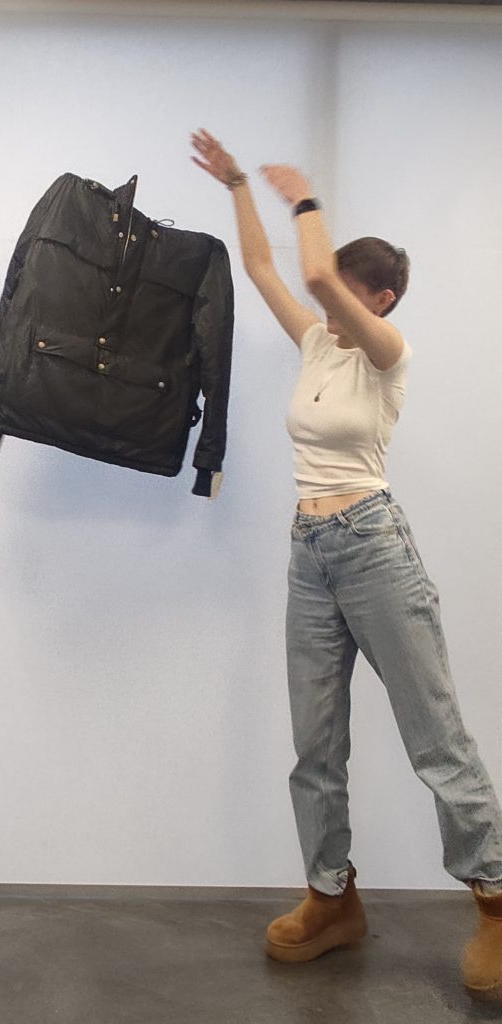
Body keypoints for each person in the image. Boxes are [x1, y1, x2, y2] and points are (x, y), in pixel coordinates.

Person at [190, 127, 502, 1001]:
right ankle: (332, 899)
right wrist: (239, 185)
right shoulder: (320, 345)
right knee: (315, 744)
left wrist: (307, 200)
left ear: (382, 300)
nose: (325, 306)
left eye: (348, 299)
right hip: (310, 553)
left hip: (374, 549)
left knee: (436, 737)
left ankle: (495, 899)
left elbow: (319, 275)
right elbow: (266, 270)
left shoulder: (388, 355)